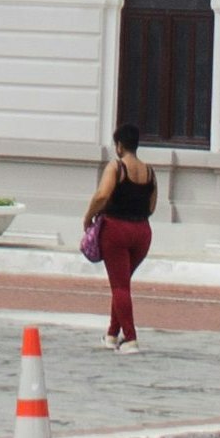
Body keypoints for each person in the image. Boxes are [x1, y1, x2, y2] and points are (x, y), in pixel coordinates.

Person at [85, 124, 158, 348]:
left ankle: (131, 338)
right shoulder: (149, 171)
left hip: (116, 229)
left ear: (119, 145)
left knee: (119, 287)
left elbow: (102, 195)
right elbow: (152, 205)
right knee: (122, 284)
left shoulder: (116, 167)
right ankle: (111, 334)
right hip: (143, 232)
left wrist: (88, 217)